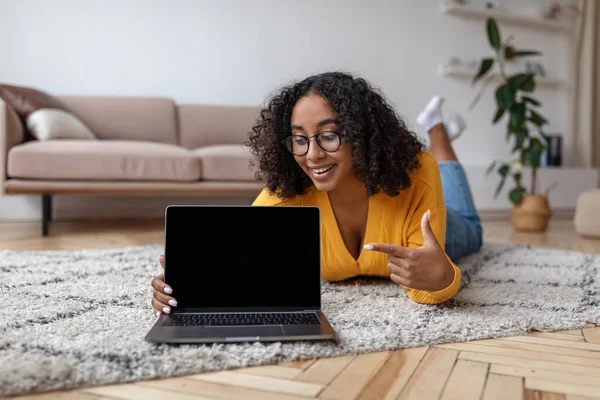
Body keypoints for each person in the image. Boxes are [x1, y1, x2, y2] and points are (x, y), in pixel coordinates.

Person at [150, 72, 483, 317]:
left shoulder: (415, 174)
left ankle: (439, 137)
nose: (311, 156)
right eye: (299, 139)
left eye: (328, 135)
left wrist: (440, 275)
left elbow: (427, 291)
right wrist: (182, 287)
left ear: (360, 134)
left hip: (434, 223)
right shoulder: (286, 195)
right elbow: (234, 260)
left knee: (472, 229)